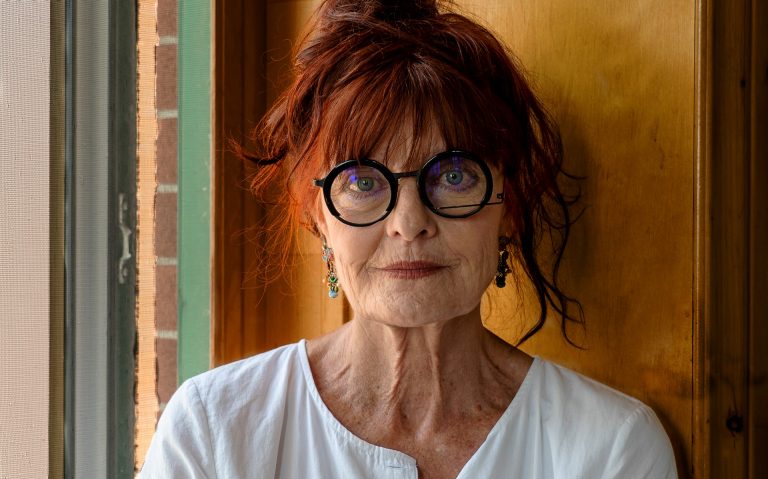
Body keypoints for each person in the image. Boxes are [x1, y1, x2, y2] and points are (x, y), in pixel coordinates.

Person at [140, 0, 677, 477]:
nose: (409, 221)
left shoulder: (610, 449)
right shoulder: (214, 433)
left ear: (510, 206)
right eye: (362, 182)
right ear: (318, 217)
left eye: (454, 175)